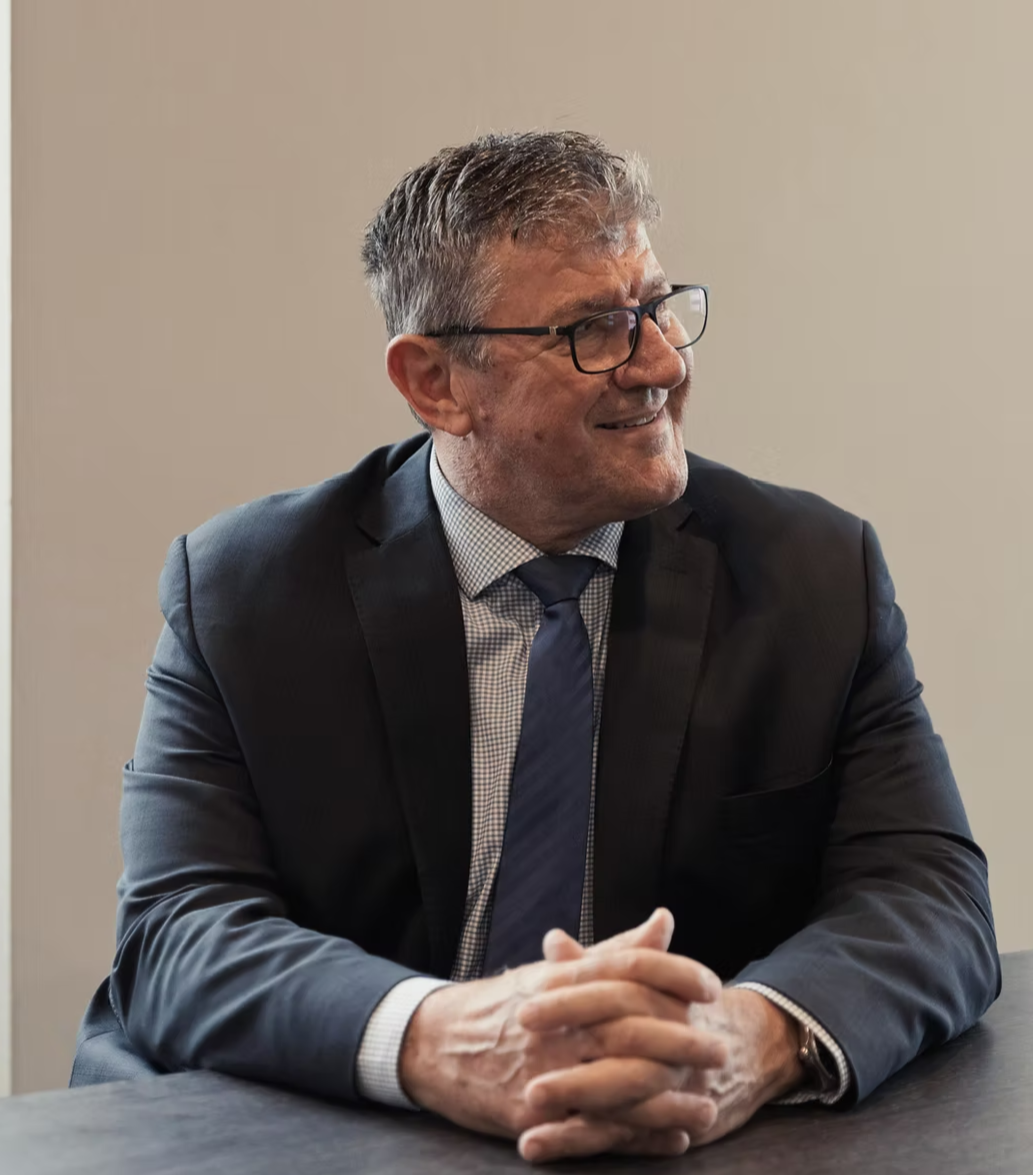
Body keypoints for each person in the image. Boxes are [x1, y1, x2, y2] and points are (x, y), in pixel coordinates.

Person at [71, 131, 1000, 1164]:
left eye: (656, 307)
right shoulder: (250, 592)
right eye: (593, 330)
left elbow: (927, 894)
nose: (659, 361)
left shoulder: (810, 574)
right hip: (326, 1130)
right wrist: (439, 1037)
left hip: (666, 1136)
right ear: (434, 383)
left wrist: (751, 1033)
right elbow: (179, 933)